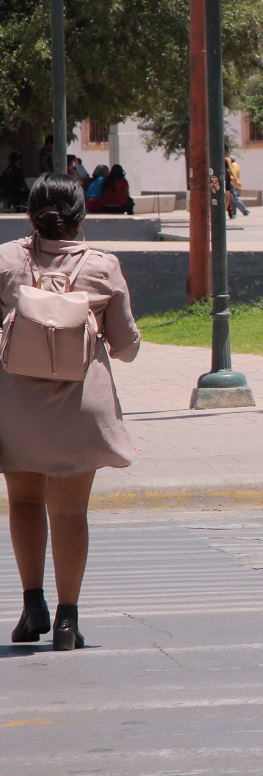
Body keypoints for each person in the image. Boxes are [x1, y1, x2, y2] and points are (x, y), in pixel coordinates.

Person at [2, 173, 141, 651]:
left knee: (23, 501)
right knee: (70, 512)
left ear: (30, 215)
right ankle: (67, 620)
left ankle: (31, 605)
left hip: (15, 404)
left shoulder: (4, 259)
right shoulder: (103, 267)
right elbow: (125, 348)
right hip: (79, 406)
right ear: (81, 217)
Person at [226, 153, 250, 218]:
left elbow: (233, 175)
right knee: (232, 200)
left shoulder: (234, 165)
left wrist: (226, 176)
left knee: (234, 199)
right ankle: (234, 214)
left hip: (236, 186)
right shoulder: (233, 165)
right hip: (235, 185)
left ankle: (245, 210)